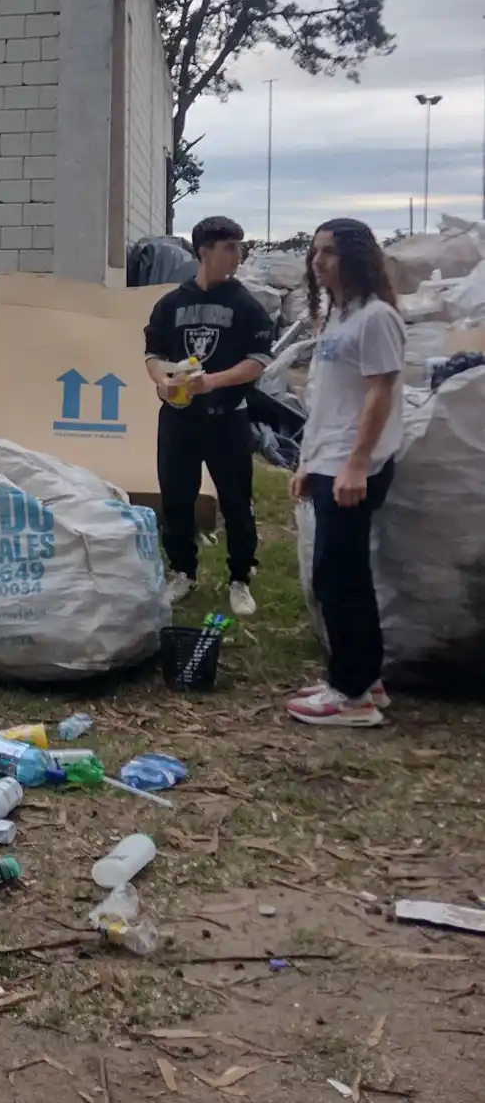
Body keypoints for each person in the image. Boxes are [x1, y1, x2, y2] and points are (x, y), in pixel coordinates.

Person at [286, 218, 405, 728]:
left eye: (330, 252)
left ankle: (351, 696)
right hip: (330, 460)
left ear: (357, 257)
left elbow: (381, 393)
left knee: (339, 578)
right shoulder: (339, 316)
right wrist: (308, 461)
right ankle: (363, 679)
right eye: (316, 252)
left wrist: (355, 464)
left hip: (355, 466)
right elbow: (331, 399)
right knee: (341, 574)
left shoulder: (377, 318)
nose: (319, 261)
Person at [143, 215, 275, 616]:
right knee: (177, 498)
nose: (238, 254)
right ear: (204, 251)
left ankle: (240, 578)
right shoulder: (171, 303)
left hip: (227, 419)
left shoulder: (246, 305)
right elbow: (153, 355)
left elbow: (257, 362)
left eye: (239, 246)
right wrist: (162, 380)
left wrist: (214, 382)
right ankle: (183, 571)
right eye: (229, 247)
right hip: (179, 420)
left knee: (236, 501)